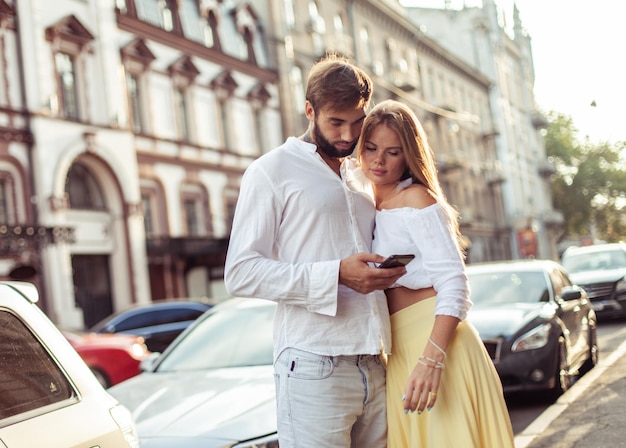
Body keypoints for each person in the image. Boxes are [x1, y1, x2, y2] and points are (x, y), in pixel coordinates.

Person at [224, 54, 406, 447]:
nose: (347, 135)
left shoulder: (361, 173)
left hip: (376, 360)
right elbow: (240, 272)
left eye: (357, 123)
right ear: (310, 110)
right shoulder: (270, 171)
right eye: (335, 122)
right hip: (312, 364)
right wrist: (337, 273)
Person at [357, 99, 515, 447]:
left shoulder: (417, 200)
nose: (378, 159)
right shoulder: (366, 204)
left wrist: (432, 359)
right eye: (370, 148)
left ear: (408, 155)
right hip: (398, 350)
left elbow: (456, 285)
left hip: (436, 346)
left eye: (393, 151)